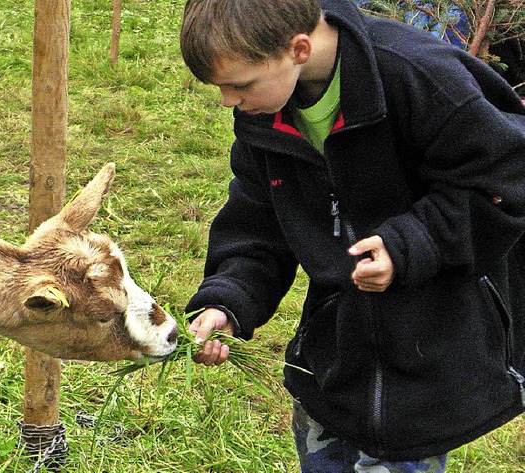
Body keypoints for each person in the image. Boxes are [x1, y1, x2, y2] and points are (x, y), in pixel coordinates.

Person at [179, 0, 525, 471]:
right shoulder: (267, 111)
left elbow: (504, 180)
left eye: (238, 84)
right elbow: (259, 218)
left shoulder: (419, 75)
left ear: (299, 48)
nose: (226, 100)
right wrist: (229, 299)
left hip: (429, 352)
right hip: (331, 358)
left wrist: (409, 246)